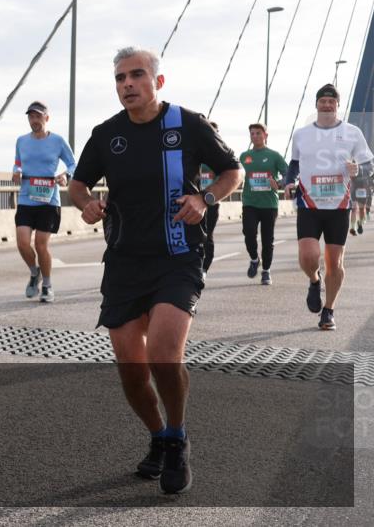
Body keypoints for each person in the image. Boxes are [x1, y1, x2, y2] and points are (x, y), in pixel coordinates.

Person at [69, 46, 241, 495]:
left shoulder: (187, 123)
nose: (127, 84)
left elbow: (231, 170)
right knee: (131, 366)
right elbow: (76, 182)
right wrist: (86, 203)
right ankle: (158, 435)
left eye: (137, 75)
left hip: (178, 255)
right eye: (121, 78)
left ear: (157, 82)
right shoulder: (107, 134)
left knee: (165, 353)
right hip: (125, 259)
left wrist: (205, 198)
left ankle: (178, 437)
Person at [284, 84, 374, 331]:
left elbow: (369, 164)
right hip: (309, 204)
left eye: (331, 101)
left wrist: (359, 169)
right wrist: (289, 181)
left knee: (335, 263)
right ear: (316, 104)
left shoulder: (352, 132)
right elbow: (293, 164)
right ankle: (314, 280)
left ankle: (329, 310)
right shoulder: (301, 134)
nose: (326, 104)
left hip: (339, 206)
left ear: (337, 105)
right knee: (308, 255)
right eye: (322, 101)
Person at [12, 101, 76, 301]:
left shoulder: (57, 141)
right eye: (31, 116)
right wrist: (16, 172)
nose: (34, 120)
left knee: (41, 245)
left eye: (38, 116)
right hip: (26, 198)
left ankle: (47, 285)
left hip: (49, 200)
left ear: (46, 118)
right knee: (22, 243)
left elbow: (73, 163)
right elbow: (17, 163)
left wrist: (66, 175)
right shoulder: (21, 141)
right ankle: (34, 272)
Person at [238, 122, 288, 285]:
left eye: (258, 133)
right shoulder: (244, 156)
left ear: (265, 135)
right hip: (249, 202)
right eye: (252, 134)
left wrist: (279, 184)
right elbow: (235, 174)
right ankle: (254, 259)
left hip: (269, 205)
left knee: (268, 240)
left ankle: (266, 271)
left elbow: (288, 175)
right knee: (249, 233)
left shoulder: (274, 155)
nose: (255, 136)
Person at [197, 122, 222, 280]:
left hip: (212, 202)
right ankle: (194, 265)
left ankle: (204, 268)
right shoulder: (194, 151)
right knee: (193, 235)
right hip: (192, 202)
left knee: (207, 235)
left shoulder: (220, 155)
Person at [350, 169, 371, 235]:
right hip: (356, 193)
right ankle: (354, 227)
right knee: (356, 209)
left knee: (359, 210)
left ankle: (358, 224)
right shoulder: (351, 177)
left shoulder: (365, 177)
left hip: (360, 193)